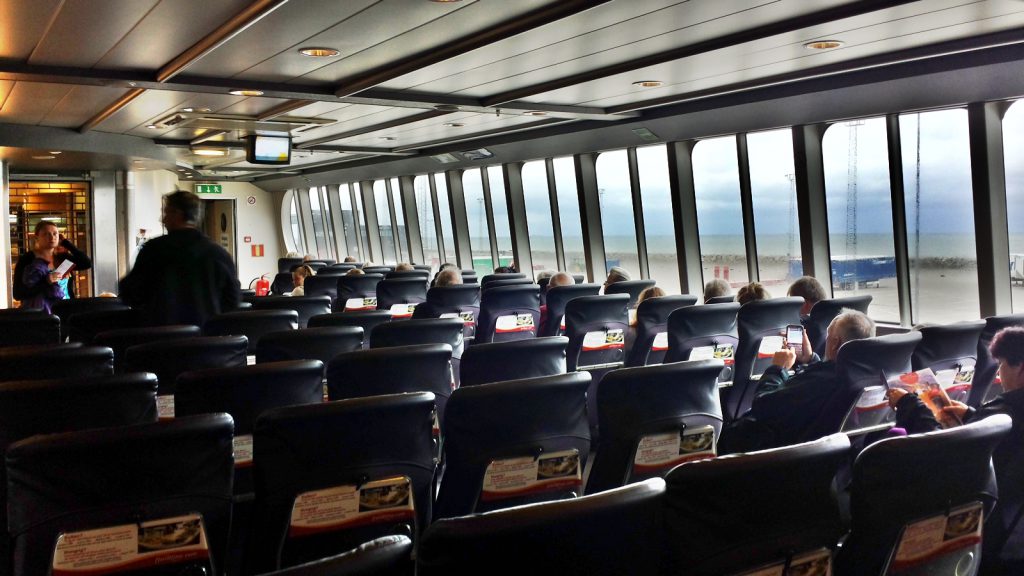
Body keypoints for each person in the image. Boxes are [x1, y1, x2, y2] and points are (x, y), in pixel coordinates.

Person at [888, 327, 1024, 574]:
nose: (999, 374)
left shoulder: (1006, 409)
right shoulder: (1007, 412)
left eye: (1002, 365)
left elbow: (943, 453)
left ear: (1021, 368)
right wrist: (973, 416)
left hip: (982, 520)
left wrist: (909, 405)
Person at [717, 309, 875, 454]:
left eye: (828, 336)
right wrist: (811, 359)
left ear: (834, 343)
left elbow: (763, 404)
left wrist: (778, 368)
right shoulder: (858, 377)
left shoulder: (820, 381)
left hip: (771, 448)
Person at [119, 190, 240, 326]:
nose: (162, 219)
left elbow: (129, 294)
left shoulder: (153, 249)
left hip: (160, 340)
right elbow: (232, 300)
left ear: (178, 214)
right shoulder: (219, 253)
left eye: (166, 212)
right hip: (206, 341)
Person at [14, 221, 89, 313]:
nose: (52, 237)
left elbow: (86, 263)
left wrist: (66, 243)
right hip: (41, 313)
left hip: (66, 310)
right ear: (37, 237)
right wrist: (46, 281)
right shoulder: (28, 259)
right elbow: (18, 294)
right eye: (46, 234)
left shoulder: (61, 258)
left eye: (55, 234)